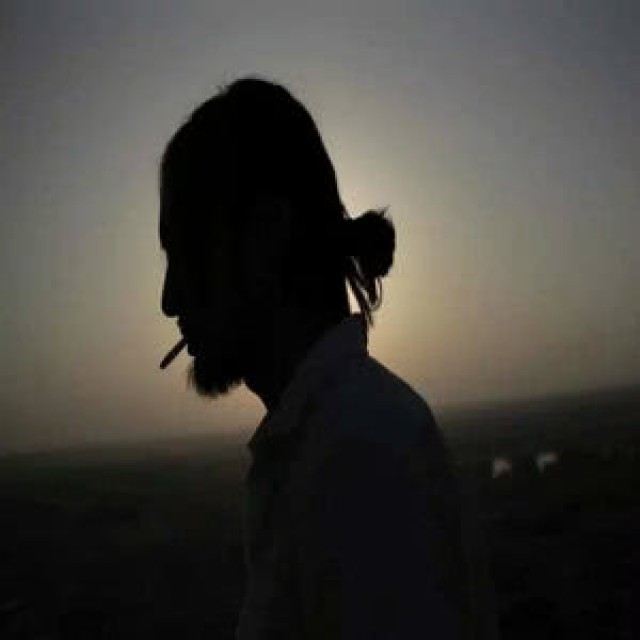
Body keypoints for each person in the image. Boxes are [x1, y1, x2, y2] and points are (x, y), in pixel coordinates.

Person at [158, 77, 494, 639]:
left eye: (185, 253)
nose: (169, 300)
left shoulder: (360, 456)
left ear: (267, 235)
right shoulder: (330, 442)